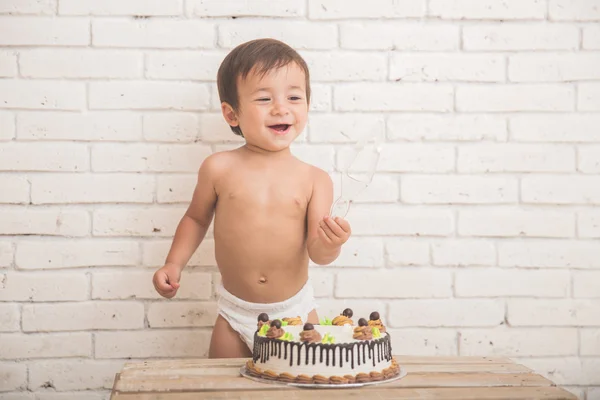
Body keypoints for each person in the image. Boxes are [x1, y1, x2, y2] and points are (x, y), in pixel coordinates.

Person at [152, 38, 351, 358]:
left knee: (300, 388)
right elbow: (196, 218)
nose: (281, 107)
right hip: (235, 313)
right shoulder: (218, 168)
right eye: (263, 98)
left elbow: (319, 253)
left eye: (294, 97)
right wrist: (174, 263)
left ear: (307, 106)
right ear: (232, 114)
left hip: (295, 313)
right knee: (223, 388)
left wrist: (331, 244)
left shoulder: (315, 180)